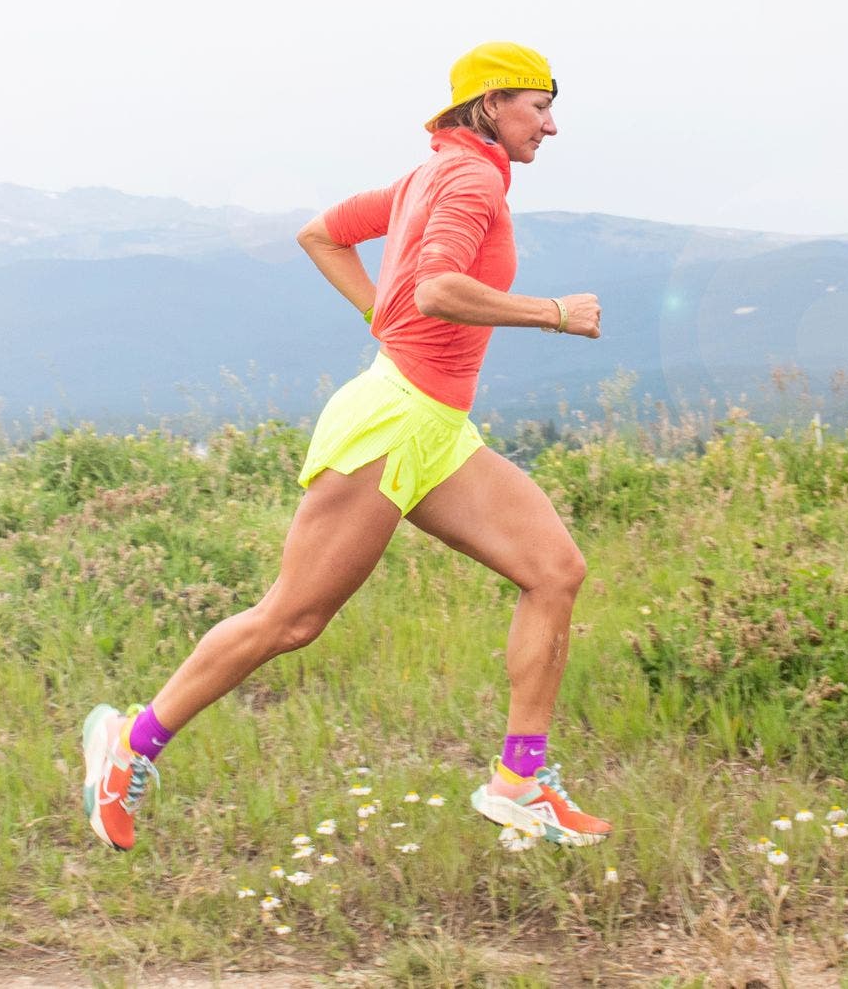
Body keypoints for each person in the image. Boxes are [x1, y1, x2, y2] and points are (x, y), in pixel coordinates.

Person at [79, 41, 611, 852]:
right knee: (292, 619)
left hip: (436, 429)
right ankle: (128, 747)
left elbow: (320, 235)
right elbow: (436, 288)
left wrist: (381, 315)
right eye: (539, 107)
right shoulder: (467, 180)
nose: (552, 125)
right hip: (392, 423)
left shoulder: (431, 175)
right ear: (492, 104)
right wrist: (553, 313)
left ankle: (520, 785)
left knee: (554, 571)